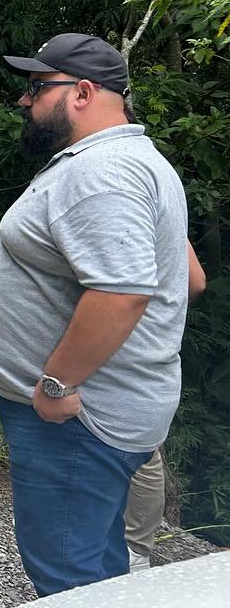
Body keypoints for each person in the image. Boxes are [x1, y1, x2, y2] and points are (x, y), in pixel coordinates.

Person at [0, 33, 193, 596]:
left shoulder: (102, 173)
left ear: (84, 92)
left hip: (77, 417)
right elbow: (187, 277)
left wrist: (56, 383)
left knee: (67, 573)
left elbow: (122, 293)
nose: (26, 101)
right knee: (94, 557)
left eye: (38, 87)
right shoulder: (136, 162)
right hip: (98, 412)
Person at [124, 243, 207, 570]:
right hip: (143, 340)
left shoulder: (132, 198)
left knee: (140, 447)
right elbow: (195, 282)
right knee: (144, 445)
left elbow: (195, 281)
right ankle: (134, 550)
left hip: (118, 336)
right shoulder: (162, 200)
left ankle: (132, 550)